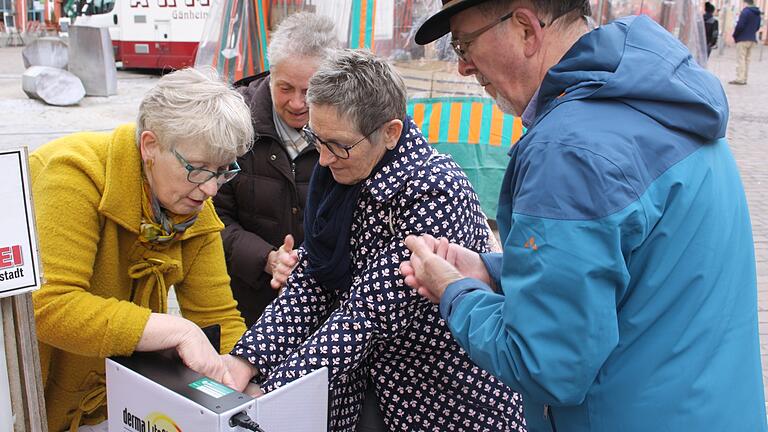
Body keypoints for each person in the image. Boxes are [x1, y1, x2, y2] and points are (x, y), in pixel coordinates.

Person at [400, 0, 767, 431]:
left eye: (464, 45)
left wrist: (455, 292)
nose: (463, 67)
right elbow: (632, 267)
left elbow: (545, 364)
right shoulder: (658, 96)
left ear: (524, 28)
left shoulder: (568, 148)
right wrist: (493, 271)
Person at [222, 49, 526, 432]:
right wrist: (247, 359)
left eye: (338, 145)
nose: (325, 160)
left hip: (440, 400)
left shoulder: (435, 191)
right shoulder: (340, 177)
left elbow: (366, 315)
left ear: (391, 132)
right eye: (317, 139)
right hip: (365, 391)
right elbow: (314, 279)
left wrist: (273, 392)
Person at [30, 68, 253, 431]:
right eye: (198, 169)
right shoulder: (73, 173)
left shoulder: (194, 208)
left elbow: (218, 317)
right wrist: (177, 331)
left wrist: (243, 384)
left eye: (223, 170)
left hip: (111, 399)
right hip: (34, 392)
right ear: (150, 145)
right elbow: (48, 305)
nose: (212, 189)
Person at [214, 12, 339, 326]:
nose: (297, 103)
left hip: (327, 309)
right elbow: (211, 218)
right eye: (285, 88)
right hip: (246, 306)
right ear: (270, 74)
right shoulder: (233, 125)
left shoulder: (348, 130)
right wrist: (266, 258)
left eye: (310, 91)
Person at [730, 0, 762, 84]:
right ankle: (744, 78)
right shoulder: (757, 13)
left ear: (745, 2)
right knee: (747, 60)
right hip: (752, 38)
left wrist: (735, 35)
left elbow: (740, 26)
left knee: (741, 59)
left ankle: (739, 78)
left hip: (742, 38)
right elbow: (758, 26)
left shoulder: (745, 12)